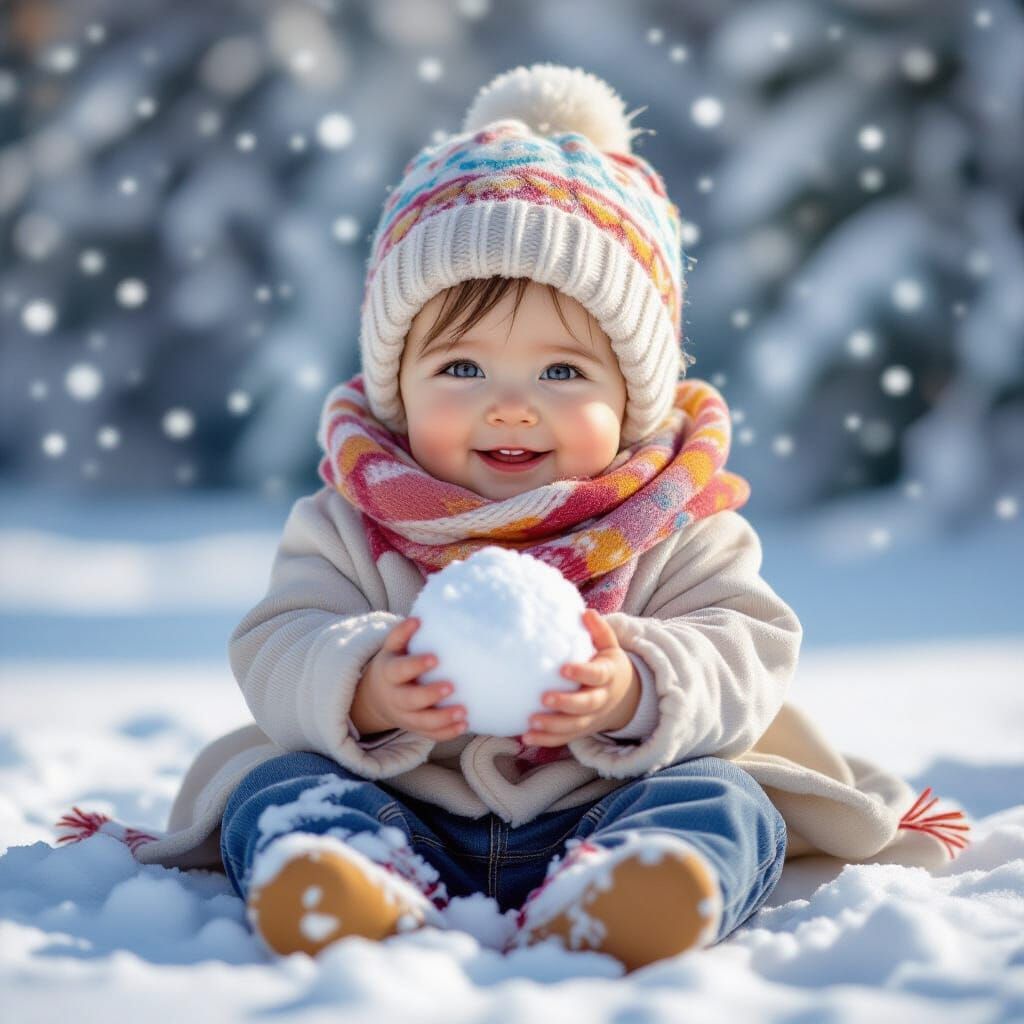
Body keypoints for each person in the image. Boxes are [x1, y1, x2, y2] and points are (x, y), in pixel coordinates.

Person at [54, 63, 969, 973]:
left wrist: (636, 688)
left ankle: (637, 888)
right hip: (404, 801)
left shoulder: (676, 525)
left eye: (562, 372)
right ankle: (346, 878)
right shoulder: (350, 520)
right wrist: (365, 684)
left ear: (633, 397)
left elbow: (748, 650)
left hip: (613, 797)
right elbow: (278, 640)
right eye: (461, 369)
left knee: (729, 801)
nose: (511, 405)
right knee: (278, 788)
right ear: (398, 389)